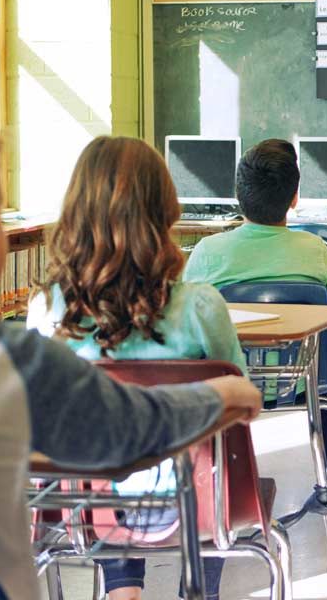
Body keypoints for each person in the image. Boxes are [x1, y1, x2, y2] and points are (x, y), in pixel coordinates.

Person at [0, 95, 261, 600]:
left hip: (92, 514)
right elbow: (127, 428)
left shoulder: (45, 313)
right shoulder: (5, 361)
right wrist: (227, 395)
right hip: (185, 500)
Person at [27, 136, 248, 600]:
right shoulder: (199, 306)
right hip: (195, 505)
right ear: (164, 212)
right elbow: (239, 398)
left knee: (103, 433)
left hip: (88, 508)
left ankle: (122, 590)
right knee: (202, 443)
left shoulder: (47, 309)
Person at [183, 138, 327, 306]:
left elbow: (186, 326)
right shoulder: (316, 250)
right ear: (294, 199)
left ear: (237, 194)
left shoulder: (207, 252)